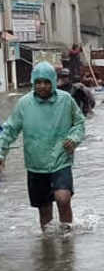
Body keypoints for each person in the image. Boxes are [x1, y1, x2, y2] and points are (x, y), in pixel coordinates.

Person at [0, 62, 85, 233]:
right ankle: (48, 248)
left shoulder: (65, 100)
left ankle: (67, 234)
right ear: (33, 83)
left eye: (46, 82)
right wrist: (1, 153)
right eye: (38, 82)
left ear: (53, 82)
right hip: (35, 163)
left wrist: (73, 138)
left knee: (63, 198)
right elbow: (9, 130)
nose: (42, 86)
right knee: (44, 212)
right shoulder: (24, 104)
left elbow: (79, 123)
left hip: (60, 159)